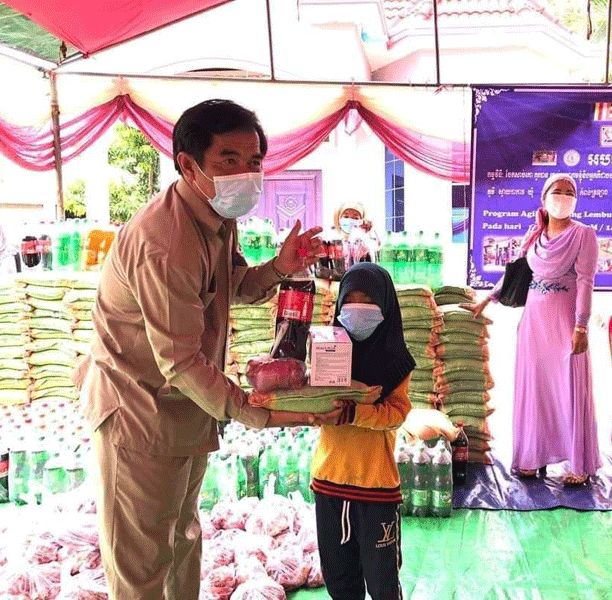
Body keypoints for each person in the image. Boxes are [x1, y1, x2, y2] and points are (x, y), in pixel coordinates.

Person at [73, 99, 338, 600]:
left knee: (181, 537)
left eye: (254, 161)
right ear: (188, 165)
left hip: (184, 408)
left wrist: (279, 268)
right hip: (139, 413)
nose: (246, 174)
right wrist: (255, 411)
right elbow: (179, 361)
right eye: (228, 160)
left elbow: (230, 285)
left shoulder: (214, 216)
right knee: (141, 566)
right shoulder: (165, 243)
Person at [466, 174, 601, 485]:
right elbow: (517, 273)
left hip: (565, 320)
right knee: (535, 387)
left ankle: (578, 464)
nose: (563, 197)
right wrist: (487, 298)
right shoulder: (535, 234)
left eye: (570, 192)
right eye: (557, 191)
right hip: (533, 321)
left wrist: (581, 326)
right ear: (544, 197)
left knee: (568, 385)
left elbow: (586, 283)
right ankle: (532, 457)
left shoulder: (583, 234)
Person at [310, 262, 415, 600]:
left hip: (375, 487)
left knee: (383, 584)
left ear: (385, 305)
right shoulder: (326, 352)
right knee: (338, 580)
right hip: (329, 481)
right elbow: (311, 400)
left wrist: (356, 412)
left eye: (368, 300)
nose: (357, 308)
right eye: (350, 299)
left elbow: (397, 414)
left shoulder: (396, 362)